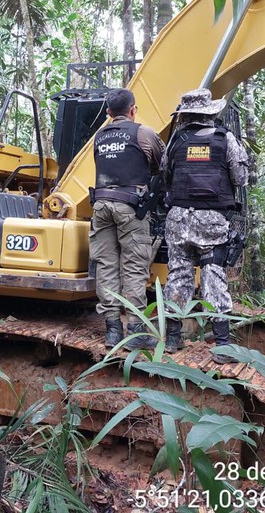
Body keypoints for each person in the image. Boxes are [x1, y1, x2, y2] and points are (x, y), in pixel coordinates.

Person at [161, 88, 249, 363]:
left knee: (177, 274)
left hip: (178, 218)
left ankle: (172, 339)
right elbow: (241, 178)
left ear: (186, 115)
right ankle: (222, 345)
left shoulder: (176, 140)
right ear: (210, 113)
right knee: (213, 276)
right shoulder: (226, 140)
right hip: (211, 220)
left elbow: (166, 174)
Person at [90, 88, 166, 348]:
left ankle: (112, 331)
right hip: (130, 206)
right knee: (134, 266)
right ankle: (135, 329)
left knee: (106, 265)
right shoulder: (142, 132)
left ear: (109, 112)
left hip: (100, 207)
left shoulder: (100, 136)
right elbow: (160, 165)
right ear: (133, 109)